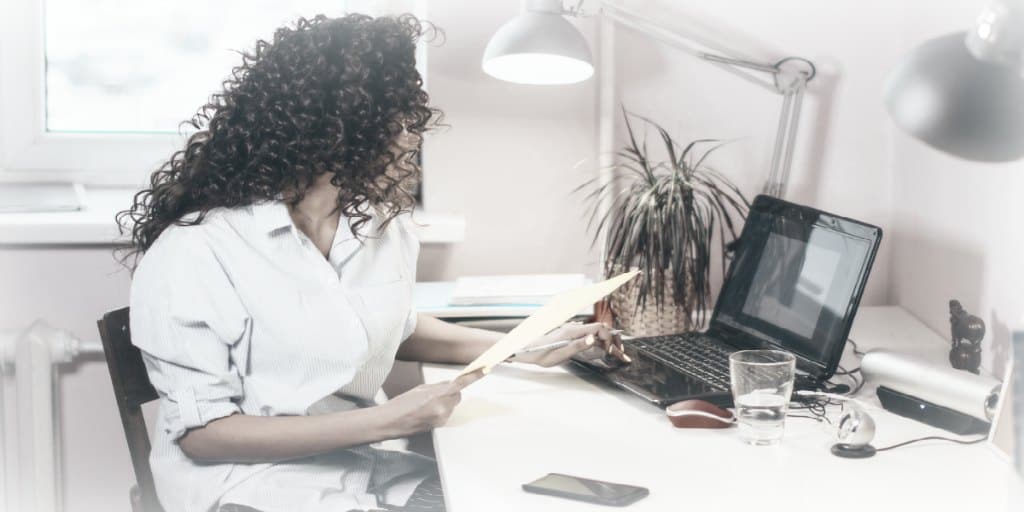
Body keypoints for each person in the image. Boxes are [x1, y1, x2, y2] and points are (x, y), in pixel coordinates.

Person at [117, 13, 625, 512]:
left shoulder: (380, 226)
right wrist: (385, 422)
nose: (413, 137)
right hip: (250, 488)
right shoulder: (197, 251)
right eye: (399, 120)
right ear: (333, 130)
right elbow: (205, 436)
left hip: (364, 467)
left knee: (527, 486)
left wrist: (525, 346)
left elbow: (391, 328)